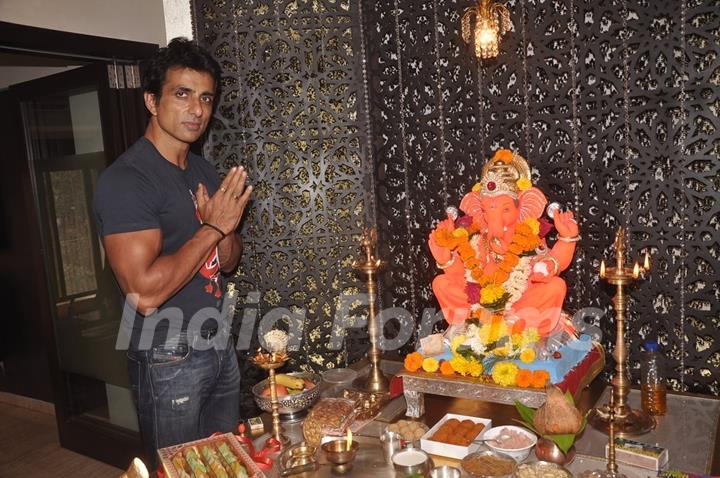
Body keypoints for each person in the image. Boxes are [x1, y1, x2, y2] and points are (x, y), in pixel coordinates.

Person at [93, 38, 252, 466]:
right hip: (168, 354)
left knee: (224, 466)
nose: (197, 110)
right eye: (182, 94)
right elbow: (144, 294)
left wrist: (222, 231)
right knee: (179, 470)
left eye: (205, 98)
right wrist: (212, 227)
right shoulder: (128, 180)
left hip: (217, 339)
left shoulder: (202, 169)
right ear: (151, 100)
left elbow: (229, 262)